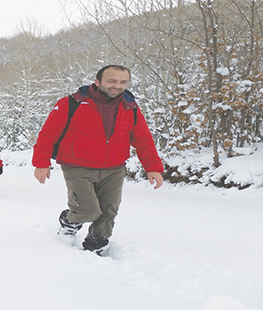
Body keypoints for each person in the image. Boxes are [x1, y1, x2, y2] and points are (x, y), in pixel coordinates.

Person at [32, 65, 164, 255]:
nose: (117, 86)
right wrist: (41, 163)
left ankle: (97, 243)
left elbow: (143, 140)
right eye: (112, 81)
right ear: (97, 81)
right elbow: (48, 135)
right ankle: (70, 221)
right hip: (78, 167)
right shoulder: (71, 103)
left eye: (122, 82)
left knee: (109, 210)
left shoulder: (130, 107)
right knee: (87, 210)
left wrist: (153, 168)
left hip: (115, 168)